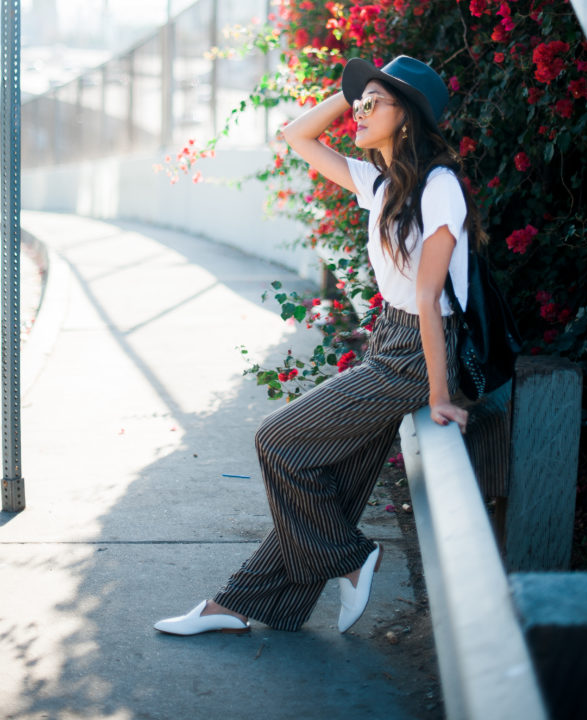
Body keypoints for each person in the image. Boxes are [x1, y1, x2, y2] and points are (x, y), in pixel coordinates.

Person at [154, 54, 478, 637]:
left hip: (417, 352)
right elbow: (295, 135)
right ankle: (239, 605)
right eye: (360, 103)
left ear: (407, 116)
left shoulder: (440, 188)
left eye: (373, 103)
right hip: (393, 339)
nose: (358, 111)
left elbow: (430, 300)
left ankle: (351, 559)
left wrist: (436, 393)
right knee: (331, 484)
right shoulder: (380, 182)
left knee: (277, 441)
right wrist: (351, 90)